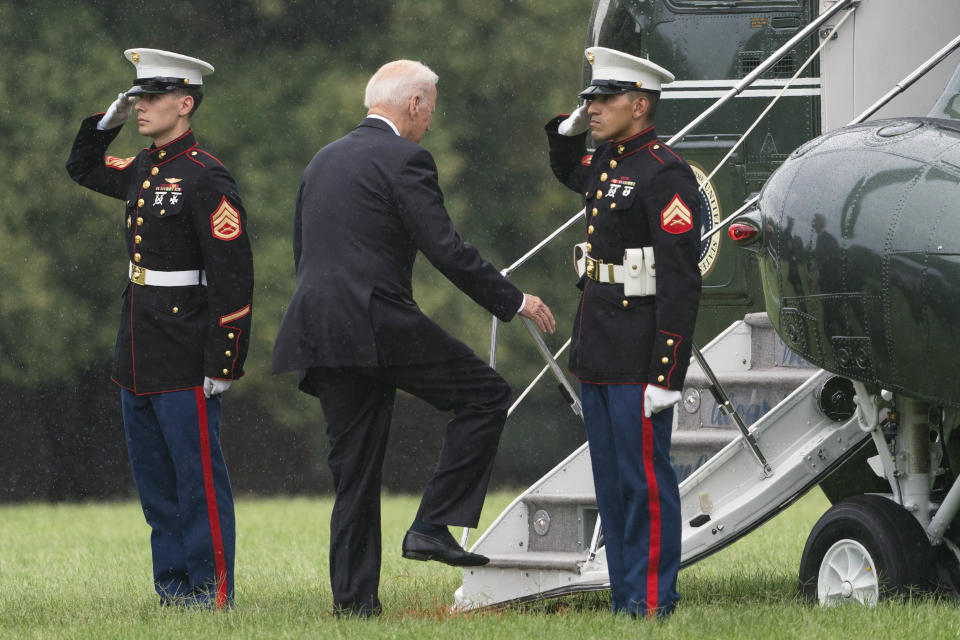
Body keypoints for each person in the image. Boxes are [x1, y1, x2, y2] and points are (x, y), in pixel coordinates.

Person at [272, 59, 555, 617]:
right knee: (485, 394)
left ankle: (354, 607)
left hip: (317, 325)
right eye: (431, 109)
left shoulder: (322, 159)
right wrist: (512, 299)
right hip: (376, 319)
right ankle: (432, 524)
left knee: (354, 471)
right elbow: (444, 246)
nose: (431, 122)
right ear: (415, 104)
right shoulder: (406, 158)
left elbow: (305, 250)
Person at [66, 48, 254, 608]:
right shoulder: (145, 167)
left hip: (185, 349)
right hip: (138, 345)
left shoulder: (206, 177)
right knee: (156, 485)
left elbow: (234, 279)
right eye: (138, 96)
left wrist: (225, 363)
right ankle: (172, 588)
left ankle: (211, 591)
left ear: (185, 102)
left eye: (150, 97)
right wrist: (107, 125)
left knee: (197, 484)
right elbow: (82, 167)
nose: (140, 105)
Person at [544, 47, 702, 618]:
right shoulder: (608, 162)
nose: (592, 108)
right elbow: (567, 168)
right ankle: (625, 598)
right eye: (589, 98)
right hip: (599, 346)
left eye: (603, 98)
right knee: (611, 487)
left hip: (639, 353)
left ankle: (654, 600)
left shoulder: (665, 173)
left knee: (646, 488)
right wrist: (565, 131)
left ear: (639, 104)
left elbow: (681, 284)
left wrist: (668, 372)